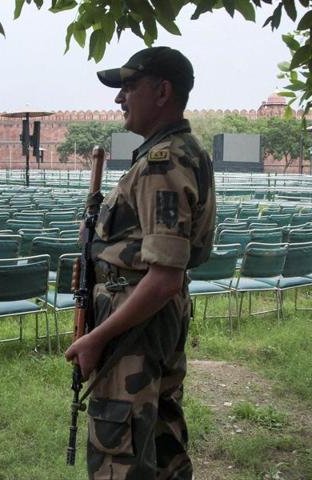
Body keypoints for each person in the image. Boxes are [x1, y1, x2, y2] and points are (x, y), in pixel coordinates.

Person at [65, 46, 216, 479]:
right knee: (161, 435)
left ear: (163, 91)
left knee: (120, 445)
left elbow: (164, 277)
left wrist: (96, 339)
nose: (119, 98)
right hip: (149, 318)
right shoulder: (181, 152)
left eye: (130, 87)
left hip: (135, 322)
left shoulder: (161, 164)